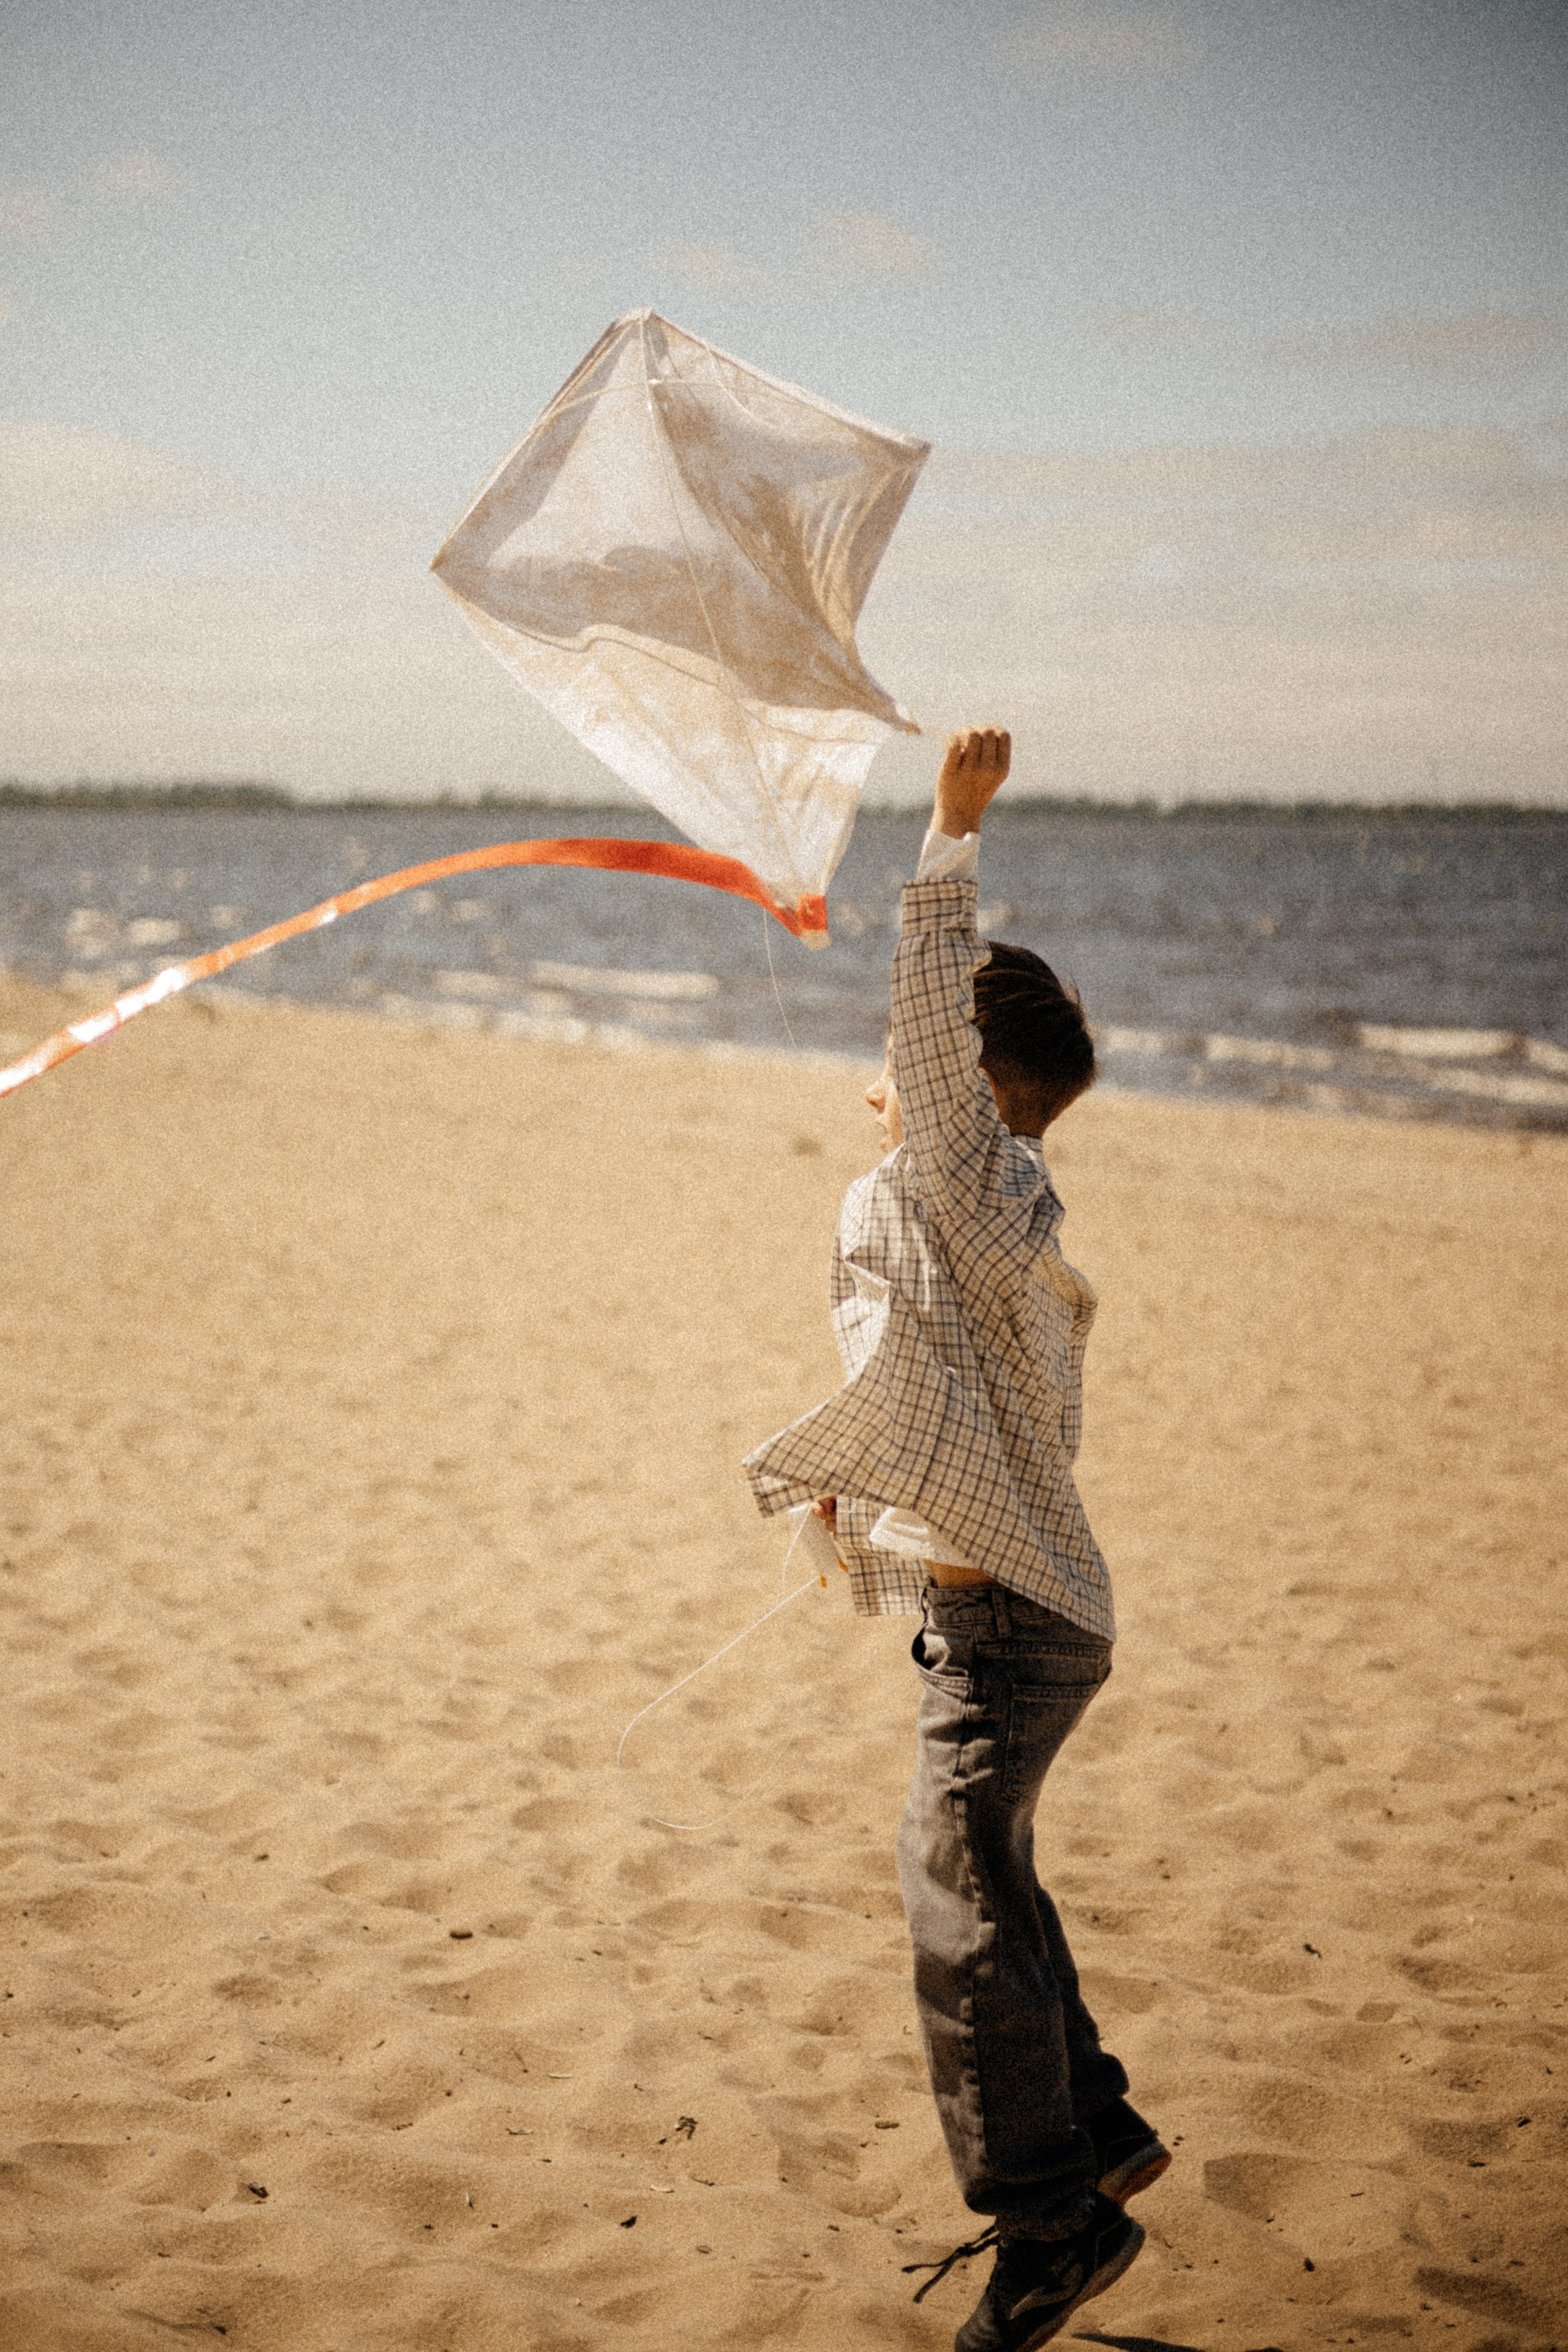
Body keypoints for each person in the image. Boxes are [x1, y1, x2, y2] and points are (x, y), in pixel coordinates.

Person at [744, 727, 1168, 2352]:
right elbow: (918, 1385)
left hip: (1014, 1636)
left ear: (979, 1086)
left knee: (954, 1902)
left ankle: (1051, 2218)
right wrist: (860, 1494)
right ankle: (1106, 2127)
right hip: (1010, 1614)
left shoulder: (977, 1186)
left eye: (920, 1049)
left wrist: (948, 833)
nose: (890, 1056)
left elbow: (929, 1046)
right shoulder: (953, 1214)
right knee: (989, 1873)